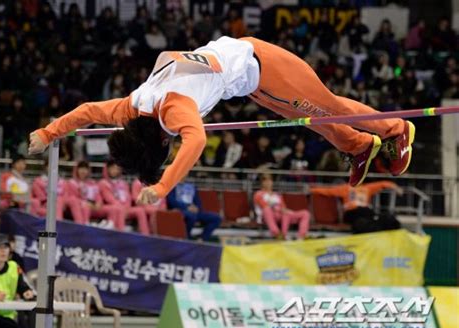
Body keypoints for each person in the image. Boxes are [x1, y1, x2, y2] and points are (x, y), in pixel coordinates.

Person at [29, 36, 415, 204]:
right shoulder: (134, 106)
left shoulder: (176, 110)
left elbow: (195, 143)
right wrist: (47, 133)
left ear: (163, 143)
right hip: (252, 80)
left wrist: (162, 187)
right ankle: (360, 146)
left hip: (267, 68)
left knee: (326, 107)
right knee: (309, 118)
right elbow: (86, 113)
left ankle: (396, 129)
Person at [310, 180, 403, 233]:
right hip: (351, 212)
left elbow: (383, 184)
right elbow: (327, 191)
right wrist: (311, 190)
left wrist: (395, 187)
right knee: (366, 216)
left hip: (365, 212)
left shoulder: (367, 187)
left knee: (382, 217)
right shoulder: (345, 188)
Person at [67, 161, 124, 229]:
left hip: (94, 207)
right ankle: (83, 226)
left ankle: (111, 227)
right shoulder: (71, 182)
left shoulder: (92, 183)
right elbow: (71, 197)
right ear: (77, 170)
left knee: (113, 209)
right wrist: (84, 203)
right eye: (81, 168)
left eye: (85, 169)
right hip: (81, 207)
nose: (83, 171)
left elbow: (98, 196)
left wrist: (98, 203)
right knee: (85, 207)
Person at [99, 160, 150, 234]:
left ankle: (146, 235)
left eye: (117, 168)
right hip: (114, 208)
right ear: (107, 169)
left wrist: (126, 207)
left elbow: (128, 198)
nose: (115, 171)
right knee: (119, 209)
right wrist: (122, 208)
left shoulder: (123, 183)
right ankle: (121, 234)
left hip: (126, 208)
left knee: (140, 210)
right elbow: (109, 199)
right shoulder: (103, 183)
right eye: (112, 168)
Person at [254, 174, 310, 239]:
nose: (268, 183)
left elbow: (283, 207)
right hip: (267, 216)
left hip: (281, 215)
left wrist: (285, 210)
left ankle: (302, 235)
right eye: (265, 181)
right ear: (262, 183)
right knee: (267, 209)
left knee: (305, 213)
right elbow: (264, 205)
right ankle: (276, 233)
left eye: (269, 180)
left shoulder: (277, 195)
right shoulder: (258, 194)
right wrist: (279, 209)